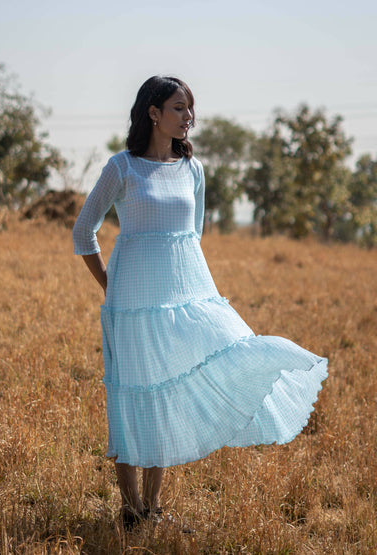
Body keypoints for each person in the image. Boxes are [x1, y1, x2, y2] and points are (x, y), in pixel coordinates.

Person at [72, 75, 328, 530]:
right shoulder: (122, 167)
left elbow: (193, 237)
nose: (188, 118)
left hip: (181, 298)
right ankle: (130, 510)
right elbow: (82, 231)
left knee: (171, 391)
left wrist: (183, 288)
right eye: (178, 108)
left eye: (190, 109)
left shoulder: (193, 170)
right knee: (133, 396)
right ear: (153, 112)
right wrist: (109, 287)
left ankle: (152, 508)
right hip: (129, 304)